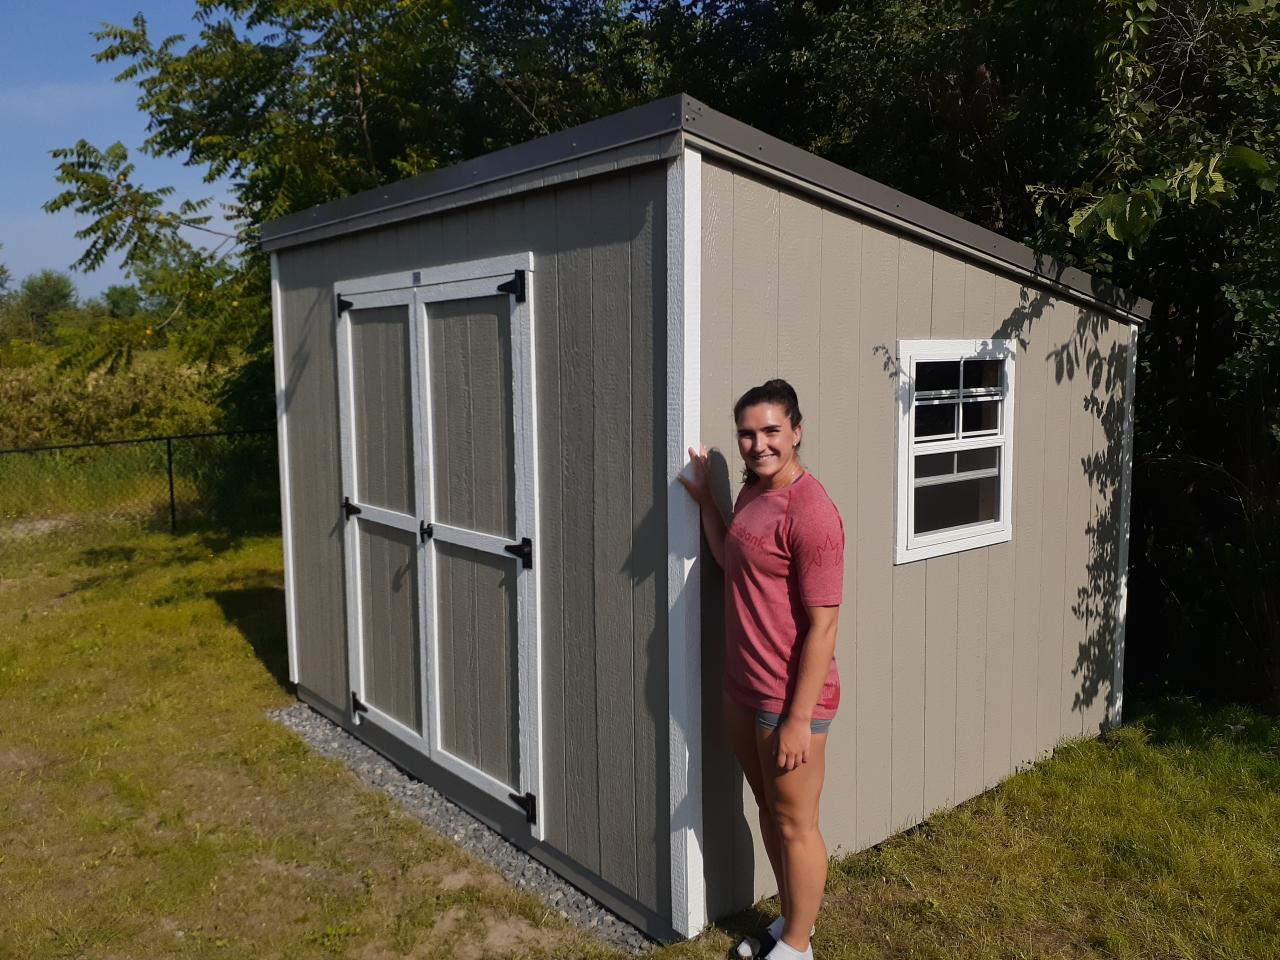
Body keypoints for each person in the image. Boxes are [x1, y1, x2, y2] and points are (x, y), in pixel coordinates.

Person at [677, 378, 845, 960]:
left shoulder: (812, 512)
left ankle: (798, 947)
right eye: (747, 434)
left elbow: (823, 627)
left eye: (771, 431)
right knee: (769, 810)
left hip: (790, 698)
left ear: (796, 431)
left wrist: (799, 720)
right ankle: (791, 921)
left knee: (796, 822)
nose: (758, 444)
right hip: (744, 686)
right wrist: (708, 503)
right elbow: (730, 558)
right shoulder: (753, 493)